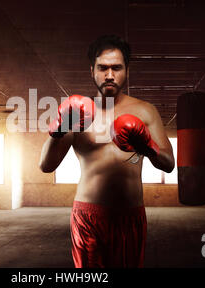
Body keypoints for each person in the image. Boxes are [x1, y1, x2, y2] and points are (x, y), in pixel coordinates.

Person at [39, 34, 175, 268]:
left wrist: (147, 146)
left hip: (130, 216)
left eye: (116, 68)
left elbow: (169, 163)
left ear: (127, 71)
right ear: (92, 70)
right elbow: (46, 165)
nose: (110, 75)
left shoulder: (146, 111)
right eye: (103, 68)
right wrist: (58, 129)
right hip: (88, 217)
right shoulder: (78, 110)